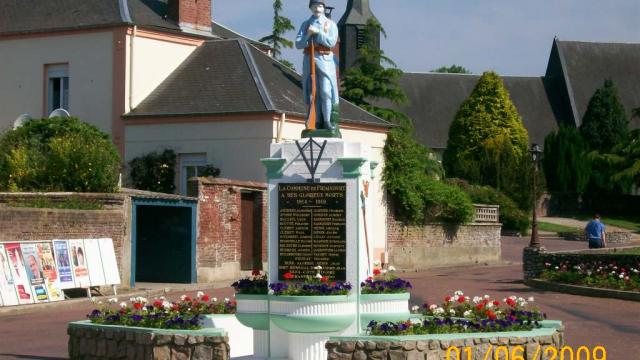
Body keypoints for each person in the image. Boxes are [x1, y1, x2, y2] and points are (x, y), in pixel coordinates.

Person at [295, 0, 339, 131]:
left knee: (326, 91)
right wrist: (308, 34)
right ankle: (315, 122)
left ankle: (327, 121)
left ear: (323, 8)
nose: (317, 8)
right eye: (314, 6)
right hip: (309, 60)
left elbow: (331, 42)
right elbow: (298, 44)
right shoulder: (305, 24)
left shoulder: (330, 24)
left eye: (320, 6)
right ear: (310, 8)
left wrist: (318, 33)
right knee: (311, 92)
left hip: (325, 60)